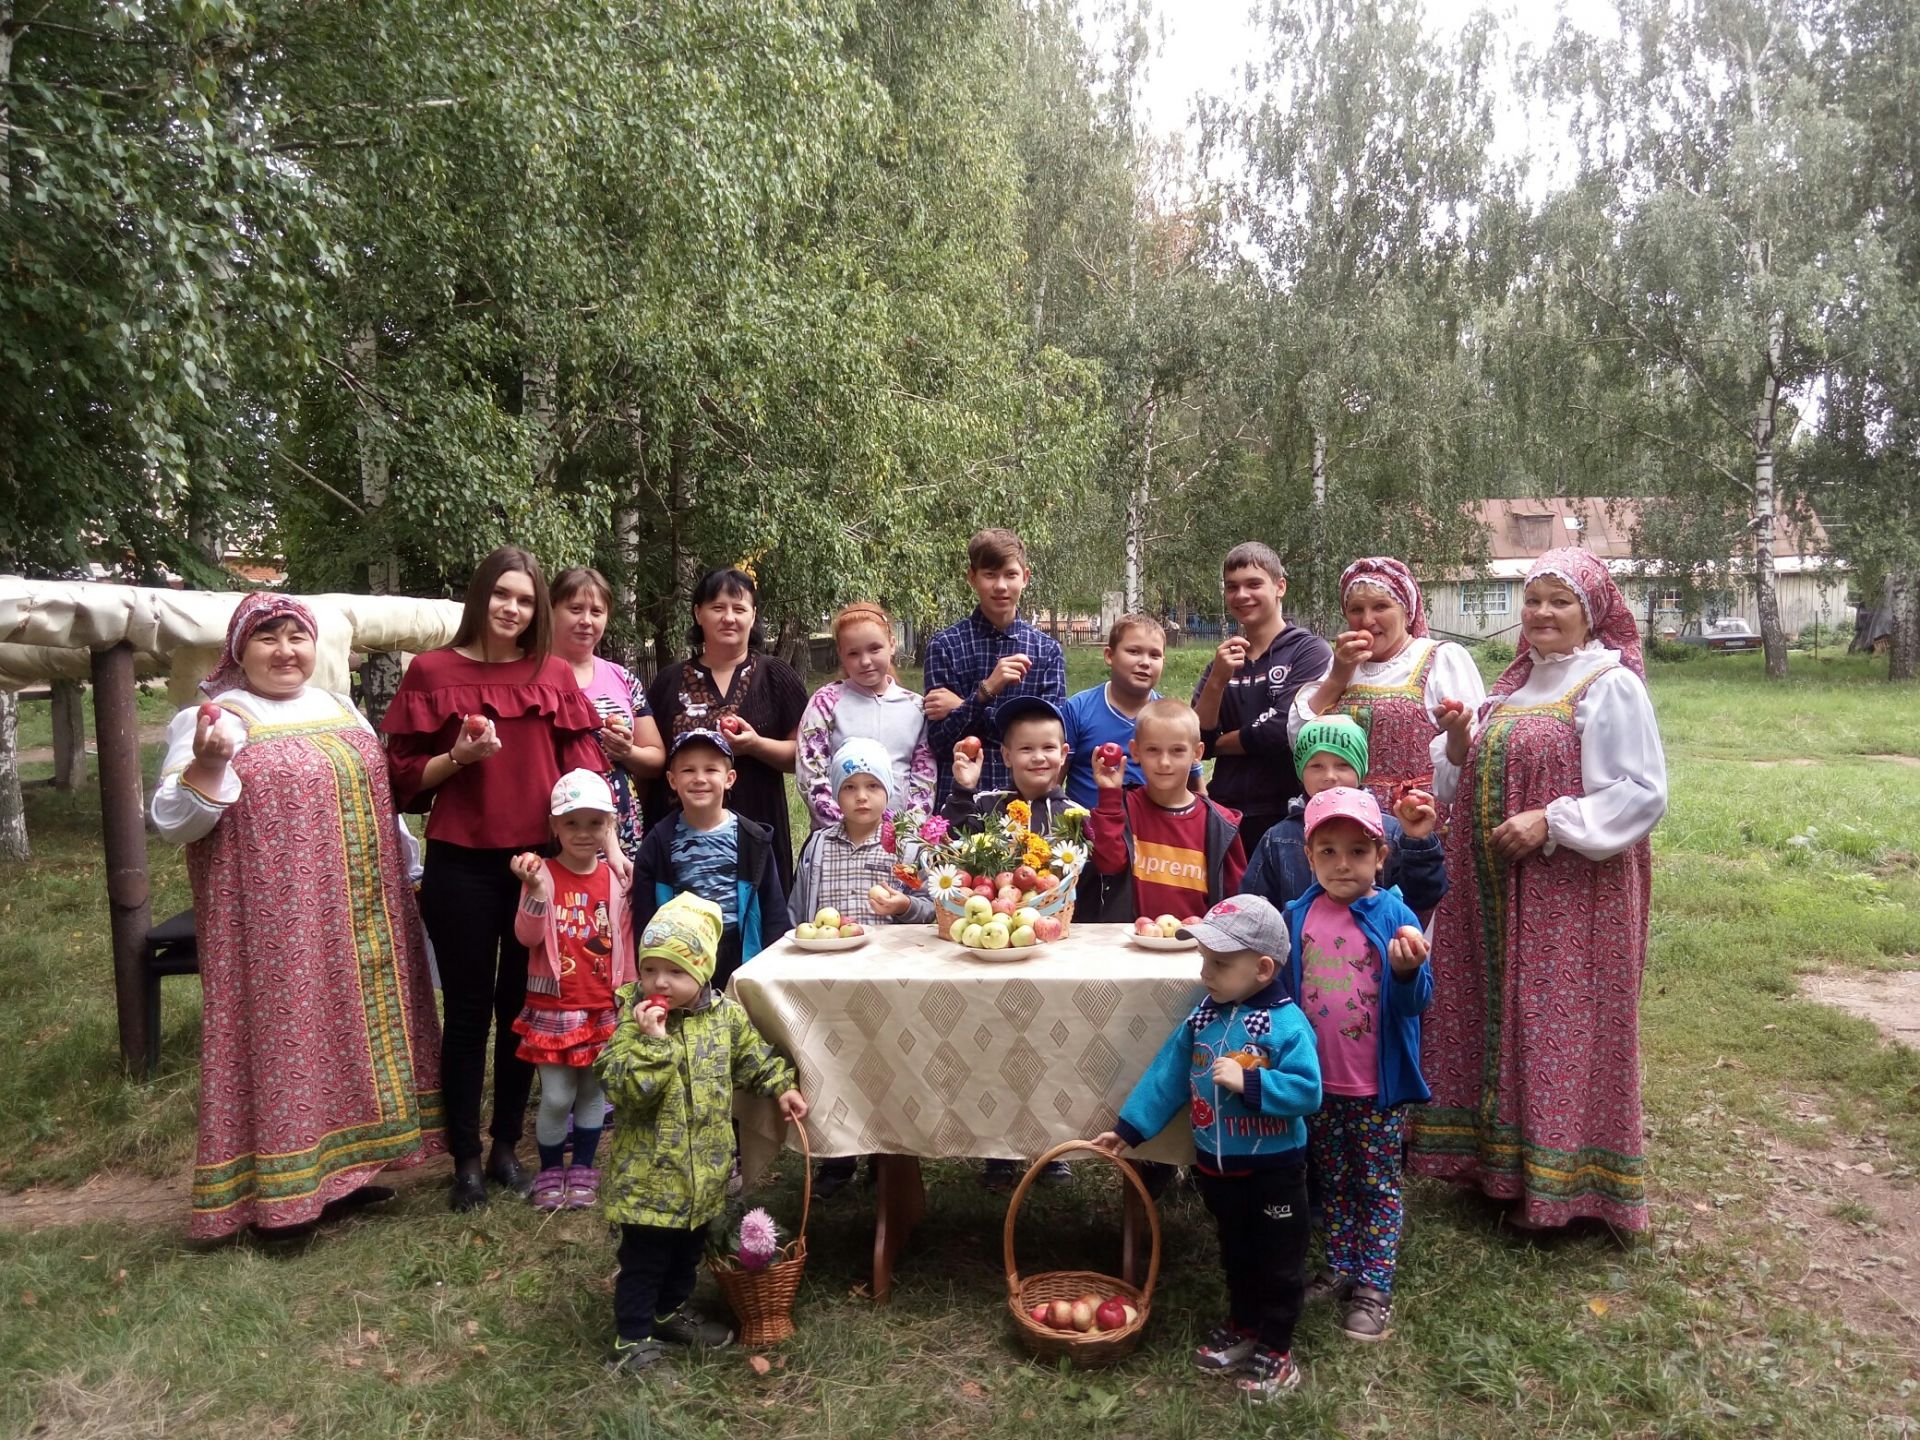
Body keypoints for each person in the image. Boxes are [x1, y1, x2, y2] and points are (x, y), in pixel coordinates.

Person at [152, 594, 445, 1239]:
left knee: (346, 1036)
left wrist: (410, 865)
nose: (286, 651)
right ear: (239, 650)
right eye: (268, 639)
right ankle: (281, 1203)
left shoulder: (340, 708)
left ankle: (342, 1177)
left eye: (297, 637)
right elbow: (174, 821)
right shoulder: (214, 717)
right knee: (285, 1043)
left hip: (354, 910)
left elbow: (380, 800)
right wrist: (207, 760)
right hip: (270, 924)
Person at [1408, 548, 1668, 1233]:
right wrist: (1462, 742)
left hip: (1571, 892)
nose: (1543, 614)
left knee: (1557, 1023)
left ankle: (1563, 1192)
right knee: (1492, 1011)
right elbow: (1456, 783)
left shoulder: (1608, 684)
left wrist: (1550, 821)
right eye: (1534, 601)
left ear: (1592, 614)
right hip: (1490, 890)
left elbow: (1640, 793)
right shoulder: (1515, 686)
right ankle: (1496, 1168)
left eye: (1560, 601)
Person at [381, 545, 606, 1212]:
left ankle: (509, 1145)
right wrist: (459, 756)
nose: (513, 608)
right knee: (470, 1010)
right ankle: (466, 1161)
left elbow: (585, 770)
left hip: (539, 864)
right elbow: (400, 781)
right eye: (502, 594)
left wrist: (606, 847)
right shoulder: (432, 671)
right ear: (480, 597)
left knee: (523, 1011)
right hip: (461, 862)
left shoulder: (553, 673)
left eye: (526, 599)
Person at [1092, 895, 1322, 1403]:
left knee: (1280, 1260)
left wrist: (1251, 1084)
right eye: (1203, 960)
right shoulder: (1201, 1019)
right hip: (1217, 1170)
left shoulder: (1284, 1024)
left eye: (1219, 964)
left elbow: (1308, 1092)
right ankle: (1244, 1326)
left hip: (1273, 1171)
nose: (1205, 973)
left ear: (1263, 968)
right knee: (1237, 1252)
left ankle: (1278, 1350)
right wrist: (1130, 1129)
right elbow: (1168, 1076)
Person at [597, 894, 809, 1373]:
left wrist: (780, 1087)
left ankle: (669, 1312)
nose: (659, 983)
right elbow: (624, 1088)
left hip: (704, 1173)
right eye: (650, 970)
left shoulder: (726, 1018)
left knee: (687, 1253)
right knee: (645, 1260)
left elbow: (752, 1057)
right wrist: (655, 1045)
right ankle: (630, 1339)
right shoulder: (633, 1024)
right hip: (649, 1179)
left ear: (704, 971)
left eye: (674, 972)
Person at [1282, 787, 1432, 1343]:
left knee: (1377, 1184)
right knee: (1335, 1179)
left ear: (1380, 856)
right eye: (1329, 851)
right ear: (1310, 855)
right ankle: (1341, 1263)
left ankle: (1374, 1283)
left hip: (1374, 1085)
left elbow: (1418, 1002)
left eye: (1357, 852)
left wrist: (1405, 972)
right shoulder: (1298, 915)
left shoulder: (1394, 914)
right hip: (1319, 1083)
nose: (1343, 864)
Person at [789, 738, 933, 1200]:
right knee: (831, 1062)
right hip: (829, 979)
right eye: (850, 786)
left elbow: (935, 908)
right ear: (835, 795)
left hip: (887, 977)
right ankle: (837, 1154)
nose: (862, 796)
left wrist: (905, 904)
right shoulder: (817, 845)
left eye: (873, 785)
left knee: (885, 1062)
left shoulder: (905, 848)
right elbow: (798, 907)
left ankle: (885, 1152)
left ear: (889, 792)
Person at [509, 769, 635, 1212]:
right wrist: (535, 891)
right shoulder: (541, 873)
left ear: (609, 827)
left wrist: (631, 996)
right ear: (554, 826)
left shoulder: (619, 879)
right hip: (555, 1006)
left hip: (603, 1006)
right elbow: (526, 937)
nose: (583, 833)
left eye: (594, 823)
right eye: (572, 823)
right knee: (558, 1094)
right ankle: (548, 1169)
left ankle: (582, 1167)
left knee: (593, 1093)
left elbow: (627, 943)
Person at [644, 567, 808, 894]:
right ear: (698, 613)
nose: (728, 617)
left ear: (753, 615)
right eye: (717, 608)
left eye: (739, 608)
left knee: (758, 929)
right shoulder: (668, 681)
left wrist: (756, 745)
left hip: (758, 830)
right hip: (683, 838)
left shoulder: (776, 675)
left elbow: (804, 757)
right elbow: (653, 761)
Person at [1290, 556, 1485, 811]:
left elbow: (1474, 757)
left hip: (1414, 820)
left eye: (1381, 606)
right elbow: (1299, 742)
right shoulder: (1342, 664)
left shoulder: (1440, 658)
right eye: (1356, 609)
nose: (1368, 620)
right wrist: (1338, 677)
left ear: (1407, 610)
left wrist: (1458, 729)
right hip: (1344, 821)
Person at [1192, 543, 1334, 852]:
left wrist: (1220, 743)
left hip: (1287, 812)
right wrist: (1217, 680)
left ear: (1279, 586)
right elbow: (1196, 741)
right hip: (1225, 812)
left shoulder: (1308, 651)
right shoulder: (1223, 660)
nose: (1242, 595)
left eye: (1253, 584)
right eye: (1232, 587)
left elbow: (1281, 729)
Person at [1241, 716, 1447, 922]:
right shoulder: (1278, 838)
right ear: (1300, 771)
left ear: (1361, 769)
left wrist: (1418, 842)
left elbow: (1423, 898)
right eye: (1316, 766)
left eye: (1342, 765)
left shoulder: (1391, 832)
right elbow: (1253, 910)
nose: (1329, 776)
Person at [632, 729, 787, 991]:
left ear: (729, 778)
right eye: (688, 770)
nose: (699, 779)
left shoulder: (753, 839)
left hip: (739, 952)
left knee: (740, 1025)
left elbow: (773, 910)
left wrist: (776, 963)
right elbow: (644, 913)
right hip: (680, 956)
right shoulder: (658, 842)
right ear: (672, 780)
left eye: (711, 770)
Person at [923, 528, 1066, 809]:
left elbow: (1047, 740)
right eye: (990, 574)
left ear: (1025, 577)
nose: (1001, 586)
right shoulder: (945, 646)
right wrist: (986, 691)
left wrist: (962, 705)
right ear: (972, 577)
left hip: (1027, 804)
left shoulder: (1046, 651)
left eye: (1010, 575)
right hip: (962, 802)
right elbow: (939, 742)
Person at [1086, 698, 1245, 923]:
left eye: (1177, 751)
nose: (1164, 762)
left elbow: (1236, 900)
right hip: (1130, 947)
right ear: (1135, 751)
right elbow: (1108, 863)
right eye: (1153, 750)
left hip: (1195, 949)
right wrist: (1109, 794)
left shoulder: (1219, 823)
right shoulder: (1124, 809)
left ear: (1197, 753)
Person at [552, 566, 667, 857]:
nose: (586, 621)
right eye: (575, 609)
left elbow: (655, 758)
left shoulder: (624, 679)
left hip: (620, 823)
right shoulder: (531, 678)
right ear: (551, 610)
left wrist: (627, 752)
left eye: (597, 612)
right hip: (559, 827)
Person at [795, 602, 935, 830]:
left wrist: (906, 832)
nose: (865, 661)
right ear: (841, 654)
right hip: (837, 840)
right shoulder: (825, 702)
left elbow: (924, 776)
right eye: (853, 653)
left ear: (891, 645)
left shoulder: (916, 708)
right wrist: (844, 828)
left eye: (874, 649)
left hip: (900, 841)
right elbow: (811, 772)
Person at [1059, 614, 1198, 808]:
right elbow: (1054, 782)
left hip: (1149, 834)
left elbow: (1195, 788)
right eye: (1134, 651)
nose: (1145, 662)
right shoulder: (1078, 709)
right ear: (1109, 655)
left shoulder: (1171, 719)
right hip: (1087, 833)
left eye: (1155, 655)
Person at [940, 694, 1078, 836]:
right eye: (1026, 749)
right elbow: (951, 842)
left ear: (1063, 754)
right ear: (1007, 756)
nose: (1038, 757)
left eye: (1048, 747)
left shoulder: (1076, 817)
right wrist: (964, 789)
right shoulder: (984, 805)